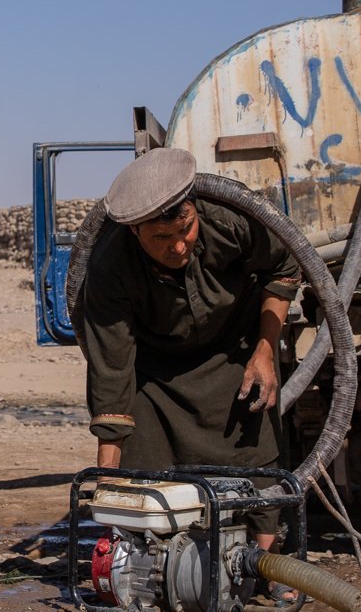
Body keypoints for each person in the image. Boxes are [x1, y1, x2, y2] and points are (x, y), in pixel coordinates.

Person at [78, 147, 297, 583]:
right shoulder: (109, 267)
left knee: (258, 455)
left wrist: (265, 350)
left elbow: (284, 268)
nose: (179, 246)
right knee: (144, 469)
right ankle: (153, 569)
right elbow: (112, 367)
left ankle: (267, 571)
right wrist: (108, 477)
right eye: (161, 239)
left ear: (194, 211)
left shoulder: (230, 220)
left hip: (238, 348)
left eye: (186, 229)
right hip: (156, 372)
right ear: (136, 232)